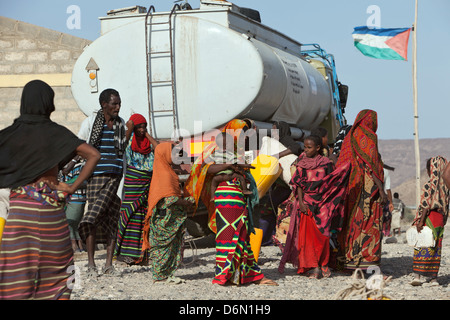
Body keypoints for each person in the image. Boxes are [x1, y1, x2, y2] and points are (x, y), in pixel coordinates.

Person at [0, 80, 100, 300]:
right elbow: (94, 154)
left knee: (16, 273)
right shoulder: (57, 134)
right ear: (49, 103)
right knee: (59, 274)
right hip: (51, 214)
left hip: (20, 215)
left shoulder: (9, 135)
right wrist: (73, 186)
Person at [185, 119, 277, 286]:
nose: (243, 137)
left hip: (238, 198)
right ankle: (223, 275)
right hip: (225, 197)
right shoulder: (216, 150)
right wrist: (230, 165)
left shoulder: (236, 152)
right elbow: (206, 169)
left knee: (242, 235)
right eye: (241, 133)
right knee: (227, 236)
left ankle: (246, 275)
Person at [278, 135, 350, 279]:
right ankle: (313, 266)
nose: (306, 150)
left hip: (323, 205)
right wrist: (302, 202)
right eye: (305, 147)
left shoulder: (326, 164)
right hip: (306, 204)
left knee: (322, 236)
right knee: (308, 237)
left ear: (318, 148)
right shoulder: (301, 163)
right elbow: (298, 184)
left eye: (309, 147)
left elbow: (332, 181)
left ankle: (322, 264)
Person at [77, 88, 128, 277]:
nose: (118, 107)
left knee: (112, 218)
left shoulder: (121, 124)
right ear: (104, 104)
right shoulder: (91, 122)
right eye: (114, 103)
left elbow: (123, 150)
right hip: (96, 176)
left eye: (119, 103)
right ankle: (91, 264)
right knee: (92, 217)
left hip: (115, 177)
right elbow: (80, 144)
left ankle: (108, 265)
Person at [335, 109, 388, 271]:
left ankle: (349, 261)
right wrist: (381, 190)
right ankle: (367, 263)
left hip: (351, 187)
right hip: (367, 189)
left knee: (351, 222)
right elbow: (371, 164)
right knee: (369, 222)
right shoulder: (367, 135)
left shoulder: (350, 136)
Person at [140, 142, 194, 284]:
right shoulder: (164, 174)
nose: (176, 156)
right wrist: (186, 202)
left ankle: (166, 274)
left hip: (168, 217)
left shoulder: (165, 170)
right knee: (163, 247)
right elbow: (169, 198)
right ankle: (160, 275)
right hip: (164, 219)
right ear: (164, 154)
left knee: (169, 247)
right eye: (173, 153)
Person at [114, 113, 159, 265]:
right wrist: (130, 128)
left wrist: (146, 133)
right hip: (133, 183)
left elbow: (158, 148)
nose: (141, 129)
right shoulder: (130, 140)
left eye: (144, 126)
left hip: (146, 182)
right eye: (139, 127)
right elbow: (122, 143)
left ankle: (140, 255)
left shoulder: (146, 142)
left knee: (143, 217)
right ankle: (122, 253)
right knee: (129, 215)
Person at [410, 156, 449, 286]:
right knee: (436, 248)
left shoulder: (429, 185)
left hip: (428, 218)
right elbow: (446, 207)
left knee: (422, 245)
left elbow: (425, 205)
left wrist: (420, 221)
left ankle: (417, 276)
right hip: (439, 221)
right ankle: (433, 279)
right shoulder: (446, 188)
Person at [208, 132, 253, 200]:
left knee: (213, 183)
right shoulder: (231, 154)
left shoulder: (215, 153)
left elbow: (206, 161)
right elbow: (239, 163)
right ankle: (245, 190)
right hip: (230, 177)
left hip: (218, 177)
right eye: (242, 136)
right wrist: (247, 165)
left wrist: (202, 165)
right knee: (240, 177)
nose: (245, 138)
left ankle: (212, 197)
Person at [59, 157, 88, 253]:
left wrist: (65, 186)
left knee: (70, 222)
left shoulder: (82, 165)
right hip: (66, 198)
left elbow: (84, 182)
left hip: (77, 198)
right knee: (72, 224)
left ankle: (74, 246)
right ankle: (79, 246)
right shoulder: (63, 166)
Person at [382, 165, 394, 238]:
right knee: (387, 217)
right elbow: (388, 189)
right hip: (382, 198)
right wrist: (391, 202)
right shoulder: (385, 171)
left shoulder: (368, 169)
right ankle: (385, 232)